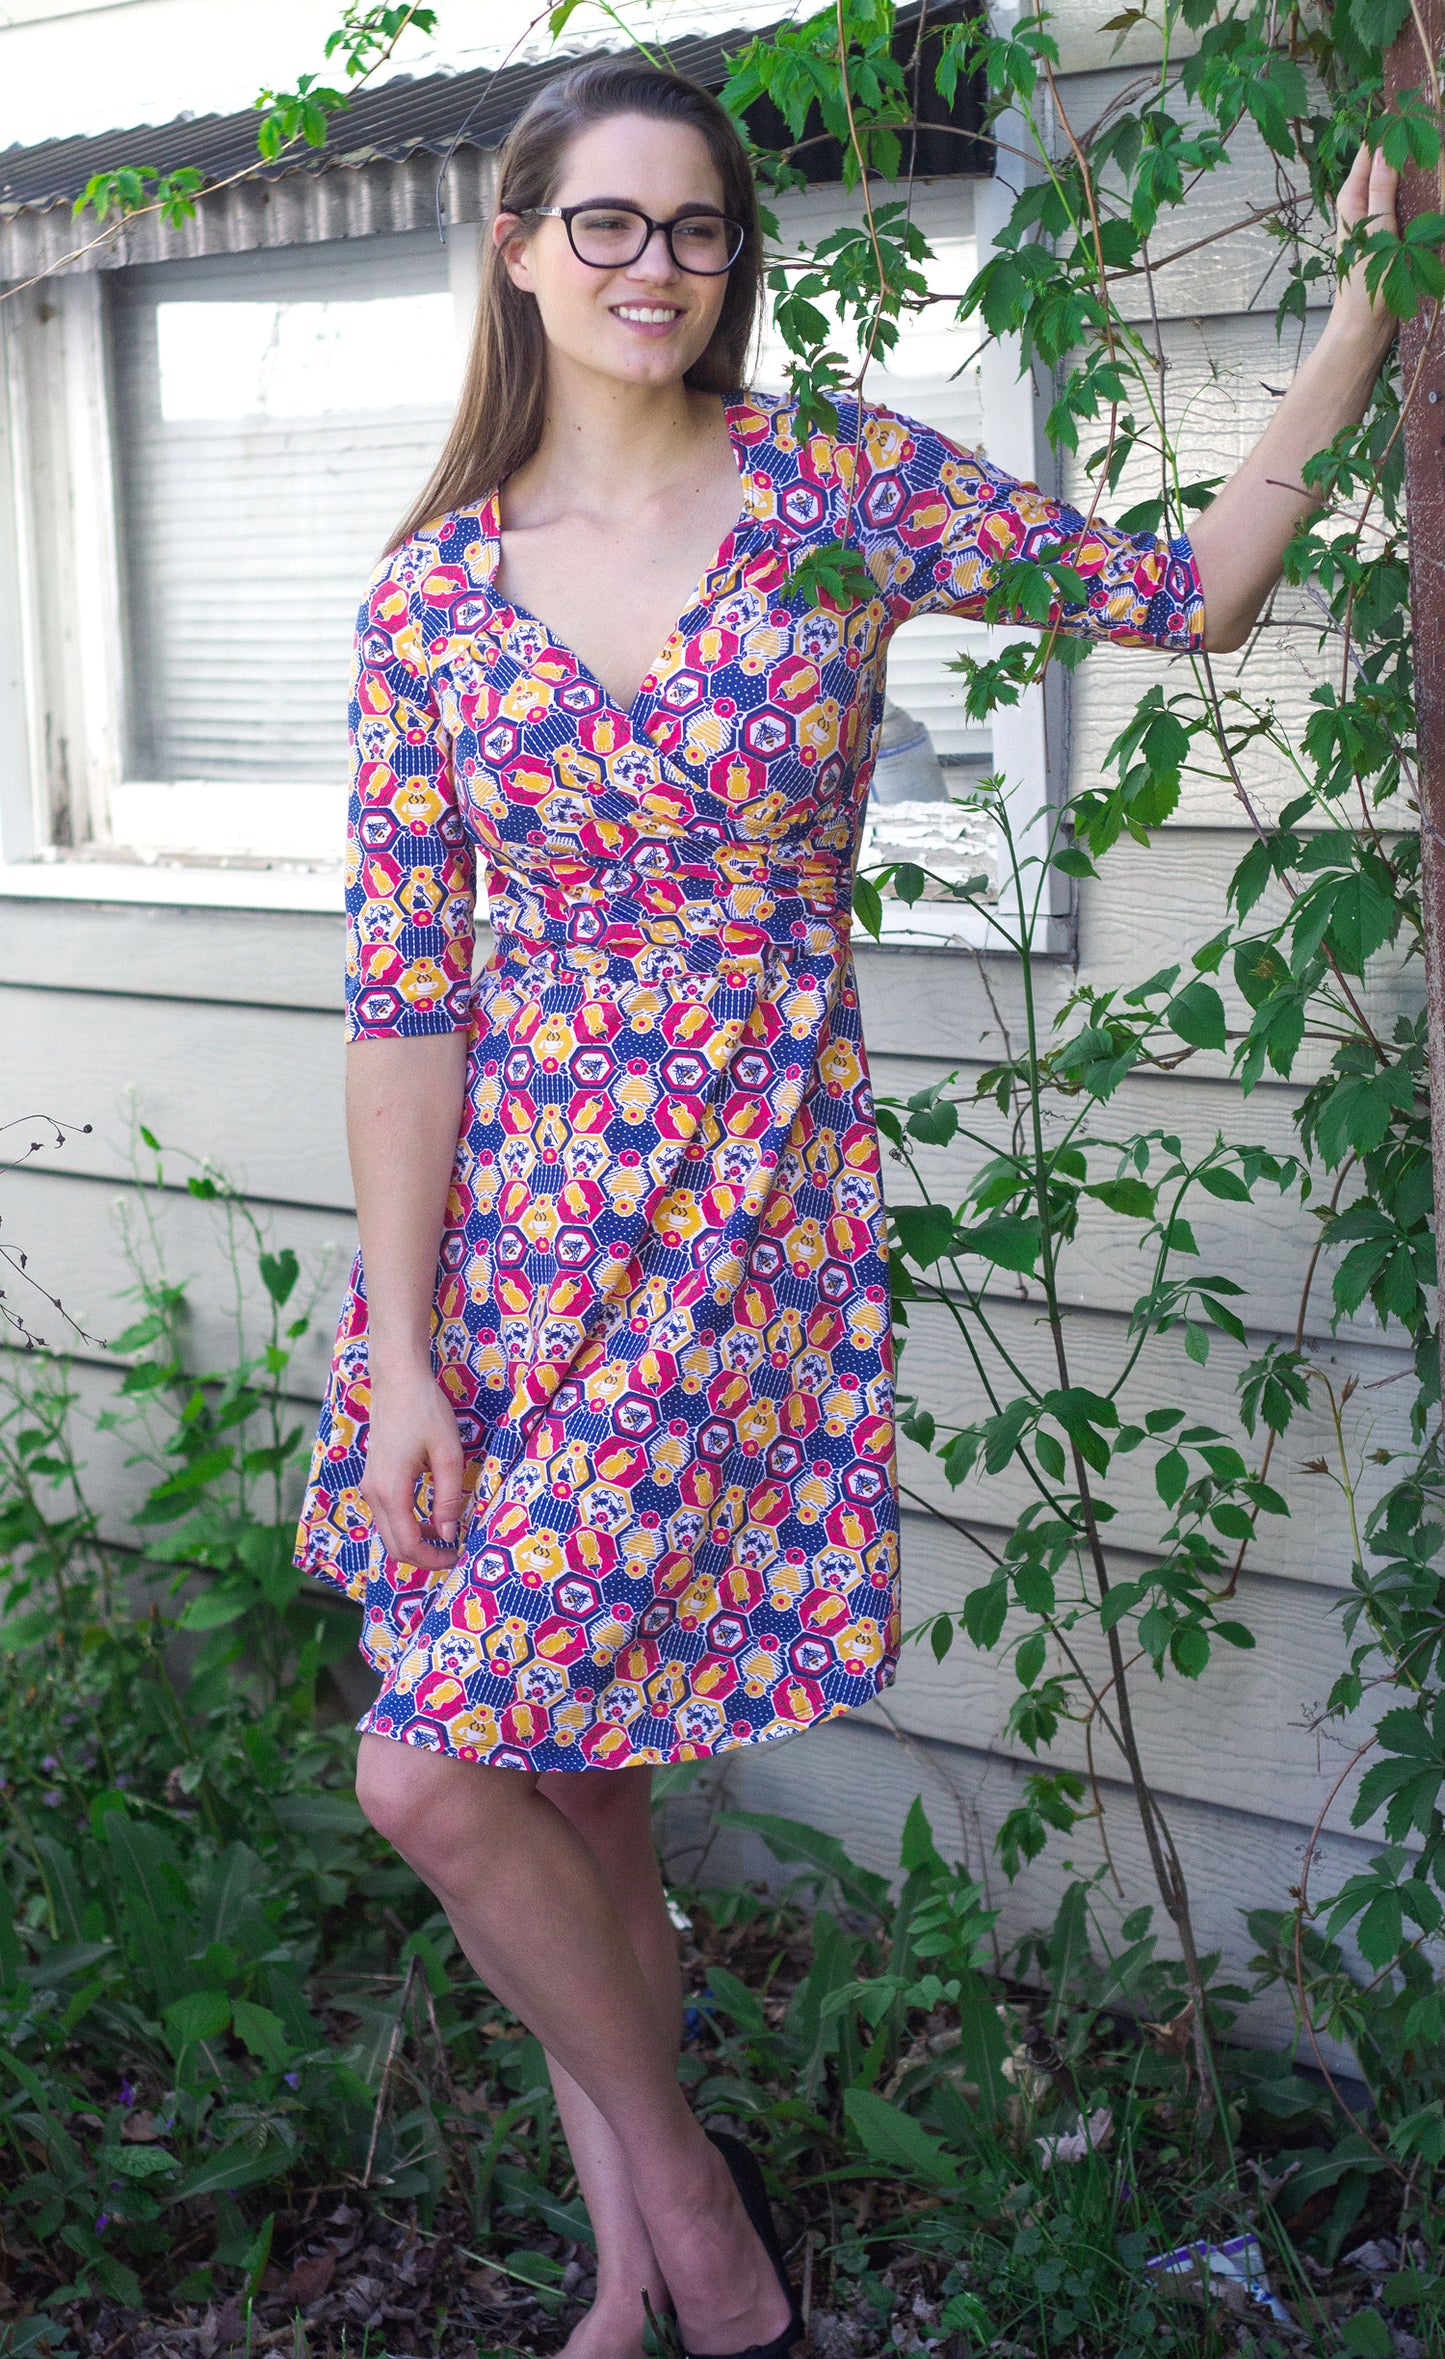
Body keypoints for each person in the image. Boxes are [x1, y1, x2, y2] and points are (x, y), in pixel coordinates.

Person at [293, 49, 1398, 2359]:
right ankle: (650, 2260)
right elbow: (406, 996)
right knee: (547, 1772)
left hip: (737, 1229)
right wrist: (397, 1346)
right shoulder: (426, 599)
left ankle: (701, 2235)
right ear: (516, 249)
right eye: (607, 223)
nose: (657, 267)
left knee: (432, 1763)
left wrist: (1373, 304)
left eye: (697, 229)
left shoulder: (840, 497)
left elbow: (1186, 595)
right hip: (505, 1248)